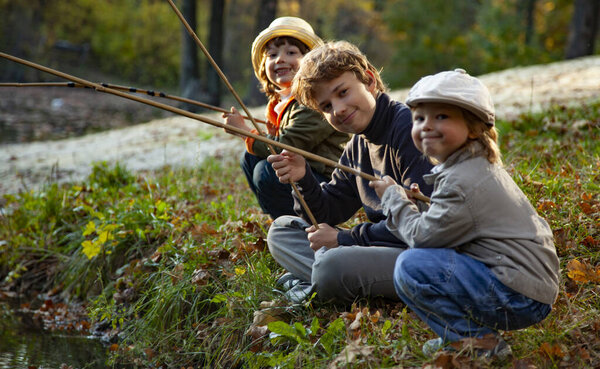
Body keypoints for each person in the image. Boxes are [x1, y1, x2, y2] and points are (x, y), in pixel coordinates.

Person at [369, 69, 560, 358]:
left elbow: (423, 240)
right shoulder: (473, 166)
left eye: (441, 117)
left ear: (472, 127)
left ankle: (476, 341)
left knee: (411, 266)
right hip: (527, 287)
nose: (426, 126)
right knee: (418, 262)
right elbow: (449, 229)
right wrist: (418, 206)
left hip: (518, 294)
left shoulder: (462, 180)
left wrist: (394, 199)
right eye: (419, 118)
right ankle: (465, 338)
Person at [266, 41, 434, 304]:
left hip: (422, 255)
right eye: (327, 107)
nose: (338, 109)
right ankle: (328, 279)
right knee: (281, 232)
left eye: (343, 92)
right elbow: (327, 212)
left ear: (368, 81)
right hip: (382, 247)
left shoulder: (409, 129)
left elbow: (426, 225)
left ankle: (317, 283)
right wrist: (303, 178)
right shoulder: (358, 145)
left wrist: (344, 239)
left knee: (331, 265)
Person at [222, 17, 350, 219]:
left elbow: (286, 148)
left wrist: (245, 132)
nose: (280, 59)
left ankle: (300, 226)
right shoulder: (283, 102)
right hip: (306, 173)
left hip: (329, 188)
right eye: (272, 55)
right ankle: (281, 218)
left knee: (267, 170)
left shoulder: (314, 101)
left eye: (291, 52)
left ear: (310, 62)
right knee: (251, 157)